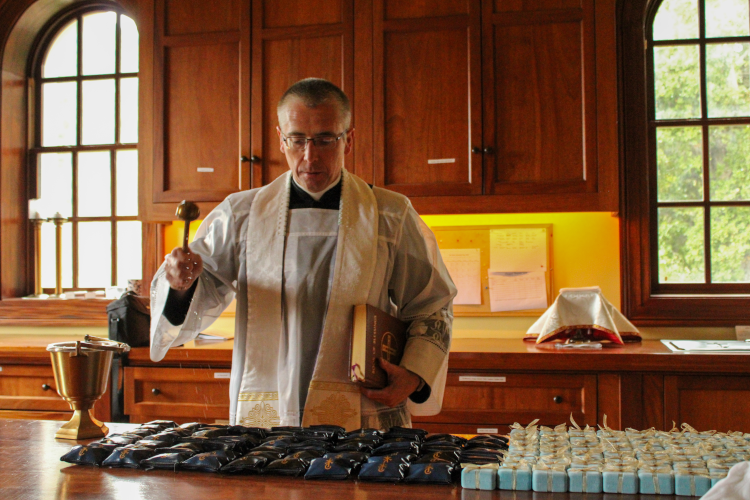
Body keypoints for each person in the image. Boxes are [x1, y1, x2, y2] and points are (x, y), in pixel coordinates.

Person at [149, 78, 456, 431]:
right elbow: (200, 288)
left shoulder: (389, 214)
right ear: (282, 139)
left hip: (361, 409)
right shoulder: (240, 215)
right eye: (297, 140)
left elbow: (433, 302)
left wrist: (414, 374)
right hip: (269, 407)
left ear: (348, 140)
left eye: (325, 139)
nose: (310, 155)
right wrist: (182, 285)